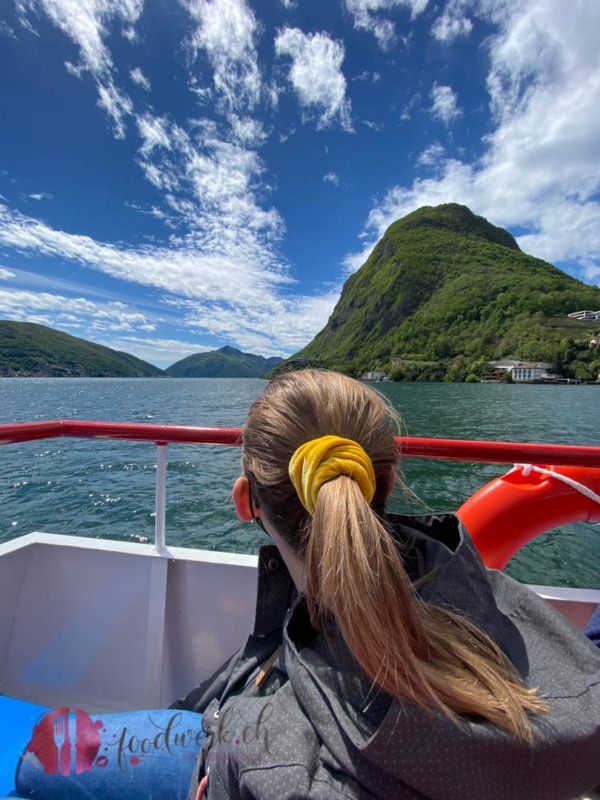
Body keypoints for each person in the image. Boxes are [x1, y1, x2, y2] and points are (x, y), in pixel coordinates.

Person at [173, 368, 600, 800]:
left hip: (226, 746)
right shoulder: (513, 610)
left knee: (105, 754)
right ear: (386, 483)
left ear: (246, 502)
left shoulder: (276, 765)